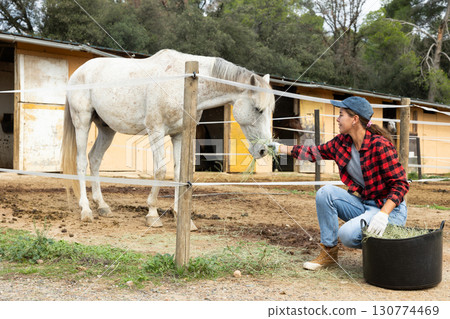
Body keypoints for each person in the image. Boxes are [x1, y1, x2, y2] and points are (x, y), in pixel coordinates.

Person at [268, 96, 409, 271]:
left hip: (390, 210)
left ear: (355, 119)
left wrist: (383, 214)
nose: (337, 119)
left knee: (347, 235)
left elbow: (401, 184)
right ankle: (328, 253)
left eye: (341, 115)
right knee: (325, 193)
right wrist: (280, 148)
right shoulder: (342, 143)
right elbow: (314, 152)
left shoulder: (380, 146)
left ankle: (387, 245)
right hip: (366, 205)